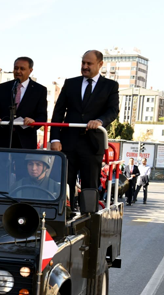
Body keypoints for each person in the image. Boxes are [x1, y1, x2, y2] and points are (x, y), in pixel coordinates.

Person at [50, 50, 119, 207]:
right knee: (63, 184)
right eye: (83, 63)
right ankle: (63, 216)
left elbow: (113, 110)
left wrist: (100, 121)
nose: (85, 66)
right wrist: (55, 138)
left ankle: (89, 219)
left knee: (90, 185)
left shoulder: (110, 86)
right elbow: (58, 112)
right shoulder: (70, 83)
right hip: (67, 143)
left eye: (89, 63)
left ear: (100, 64)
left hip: (92, 144)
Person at [0, 57, 48, 149]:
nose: (18, 71)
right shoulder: (3, 87)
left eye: (22, 69)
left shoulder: (39, 90)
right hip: (3, 140)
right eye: (16, 68)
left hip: (25, 140)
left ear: (30, 70)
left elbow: (42, 116)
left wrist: (33, 122)